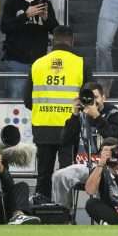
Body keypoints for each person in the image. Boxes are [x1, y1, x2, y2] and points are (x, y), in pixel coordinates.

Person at [24, 25, 87, 204]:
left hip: (42, 127)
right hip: (69, 128)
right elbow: (89, 98)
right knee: (66, 174)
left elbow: (28, 100)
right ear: (72, 40)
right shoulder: (80, 63)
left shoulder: (38, 64)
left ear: (53, 41)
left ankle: (41, 209)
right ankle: (64, 211)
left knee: (43, 173)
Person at [51, 82, 118, 212]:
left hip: (111, 166)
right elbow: (64, 140)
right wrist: (74, 115)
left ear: (103, 98)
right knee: (59, 176)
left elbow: (114, 139)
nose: (92, 101)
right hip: (86, 166)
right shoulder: (80, 116)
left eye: (95, 97)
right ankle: (63, 217)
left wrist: (97, 116)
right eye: (88, 98)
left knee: (104, 184)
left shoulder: (114, 115)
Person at [0, 0, 57, 99]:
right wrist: (25, 15)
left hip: (39, 62)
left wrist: (46, 19)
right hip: (16, 60)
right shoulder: (12, 3)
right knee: (15, 99)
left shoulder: (45, 4)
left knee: (39, 100)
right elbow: (4, 27)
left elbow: (55, 30)